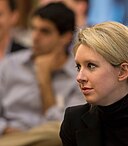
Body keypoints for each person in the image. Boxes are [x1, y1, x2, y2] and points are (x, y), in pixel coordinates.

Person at [0, 2, 85, 146]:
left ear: (65, 37)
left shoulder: (79, 75)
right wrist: (6, 129)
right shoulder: (10, 65)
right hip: (9, 136)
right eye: (33, 29)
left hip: (51, 140)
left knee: (56, 133)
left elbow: (65, 129)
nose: (35, 37)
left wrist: (44, 79)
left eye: (45, 31)